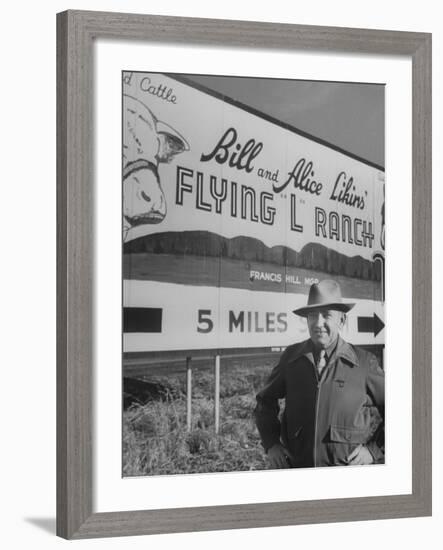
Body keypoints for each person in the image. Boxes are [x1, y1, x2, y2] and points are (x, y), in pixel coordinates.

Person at [254, 279, 384, 469]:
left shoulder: (364, 363)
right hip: (298, 473)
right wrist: (272, 444)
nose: (318, 323)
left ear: (342, 320)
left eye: (326, 315)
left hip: (346, 479)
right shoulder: (291, 358)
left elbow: (401, 410)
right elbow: (265, 402)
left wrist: (374, 450)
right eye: (312, 315)